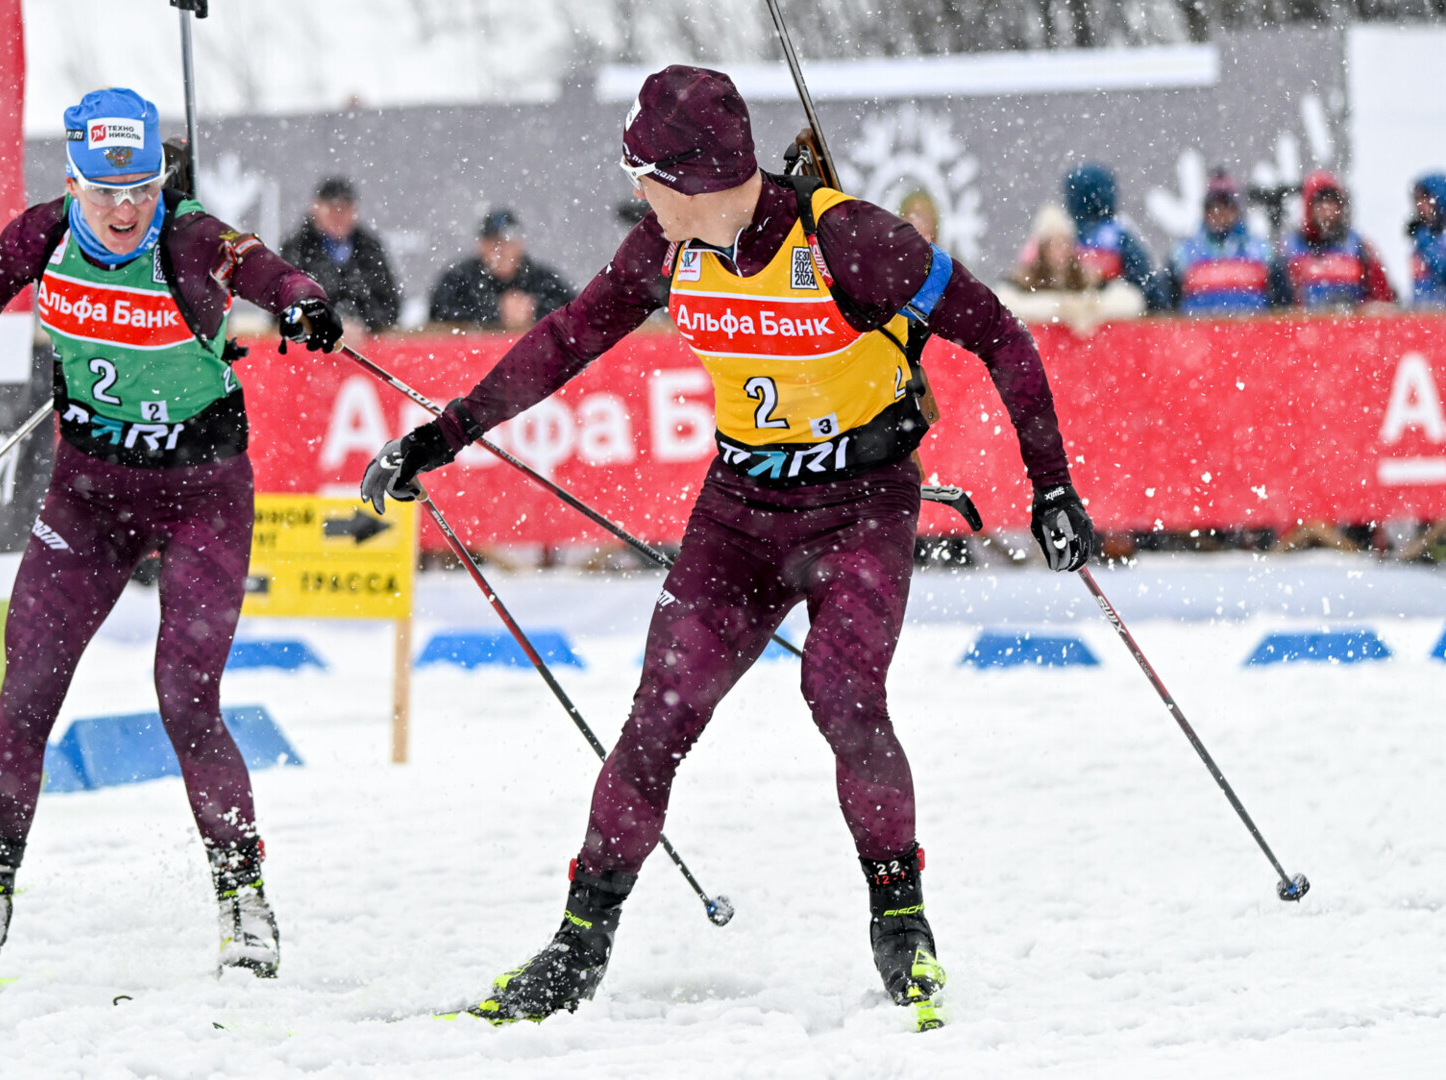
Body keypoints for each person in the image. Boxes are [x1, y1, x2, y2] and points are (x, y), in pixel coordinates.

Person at [361, 66, 1093, 1025]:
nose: (638, 196)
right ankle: (578, 947)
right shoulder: (664, 249)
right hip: (741, 510)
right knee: (658, 717)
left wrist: (1053, 490)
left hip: (861, 505)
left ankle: (901, 925)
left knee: (840, 693)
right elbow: (565, 340)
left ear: (696, 176)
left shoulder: (846, 239)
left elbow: (1001, 335)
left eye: (646, 177)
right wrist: (442, 436)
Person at [0, 88, 341, 985]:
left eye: (143, 189)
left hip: (203, 497)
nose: (123, 211)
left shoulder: (187, 238)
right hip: (88, 496)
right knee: (28, 686)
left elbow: (265, 268)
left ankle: (243, 901)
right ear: (71, 178)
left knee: (185, 697)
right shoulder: (43, 233)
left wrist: (304, 303)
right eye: (106, 191)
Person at [994, 203, 1144, 334]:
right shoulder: (1025, 277)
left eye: (1064, 243)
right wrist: (1059, 307)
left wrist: (1093, 307)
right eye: (1053, 244)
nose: (1059, 251)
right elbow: (1003, 305)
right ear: (1042, 248)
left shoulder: (1086, 276)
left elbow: (1132, 301)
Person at [279, 177, 400, 332]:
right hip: (309, 348)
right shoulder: (296, 249)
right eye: (332, 208)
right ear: (315, 209)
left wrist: (361, 322)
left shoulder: (370, 248)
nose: (338, 215)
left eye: (345, 208)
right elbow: (281, 308)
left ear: (355, 211)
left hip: (364, 349)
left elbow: (390, 305)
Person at [428, 208, 576, 330]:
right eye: (494, 243)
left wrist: (535, 311)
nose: (501, 251)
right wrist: (494, 312)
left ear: (520, 244)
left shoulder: (544, 280)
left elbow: (575, 313)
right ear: (481, 246)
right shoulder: (459, 279)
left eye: (507, 243)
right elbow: (438, 315)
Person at [1167, 170, 1284, 315]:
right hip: (1198, 333)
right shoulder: (1183, 252)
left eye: (1226, 206)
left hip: (1252, 332)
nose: (1219, 213)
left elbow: (1283, 301)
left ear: (1236, 210)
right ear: (1205, 211)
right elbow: (1167, 303)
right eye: (1214, 206)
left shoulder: (1262, 250)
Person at [1280, 171, 1394, 310]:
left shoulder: (1358, 245)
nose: (1327, 211)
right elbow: (1279, 303)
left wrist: (1365, 308)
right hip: (1306, 327)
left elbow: (1382, 298)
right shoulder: (1290, 247)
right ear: (1308, 207)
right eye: (1320, 204)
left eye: (1331, 203)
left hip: (1351, 326)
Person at [1062, 162, 1167, 309]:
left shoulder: (1059, 230)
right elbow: (1148, 284)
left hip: (1089, 314)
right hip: (1107, 319)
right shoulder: (1119, 233)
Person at [1409, 173, 1446, 309]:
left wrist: (1424, 241)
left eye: (1425, 198)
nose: (1420, 205)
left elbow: (1442, 271)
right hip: (1423, 318)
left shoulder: (1426, 238)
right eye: (1417, 199)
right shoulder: (1424, 235)